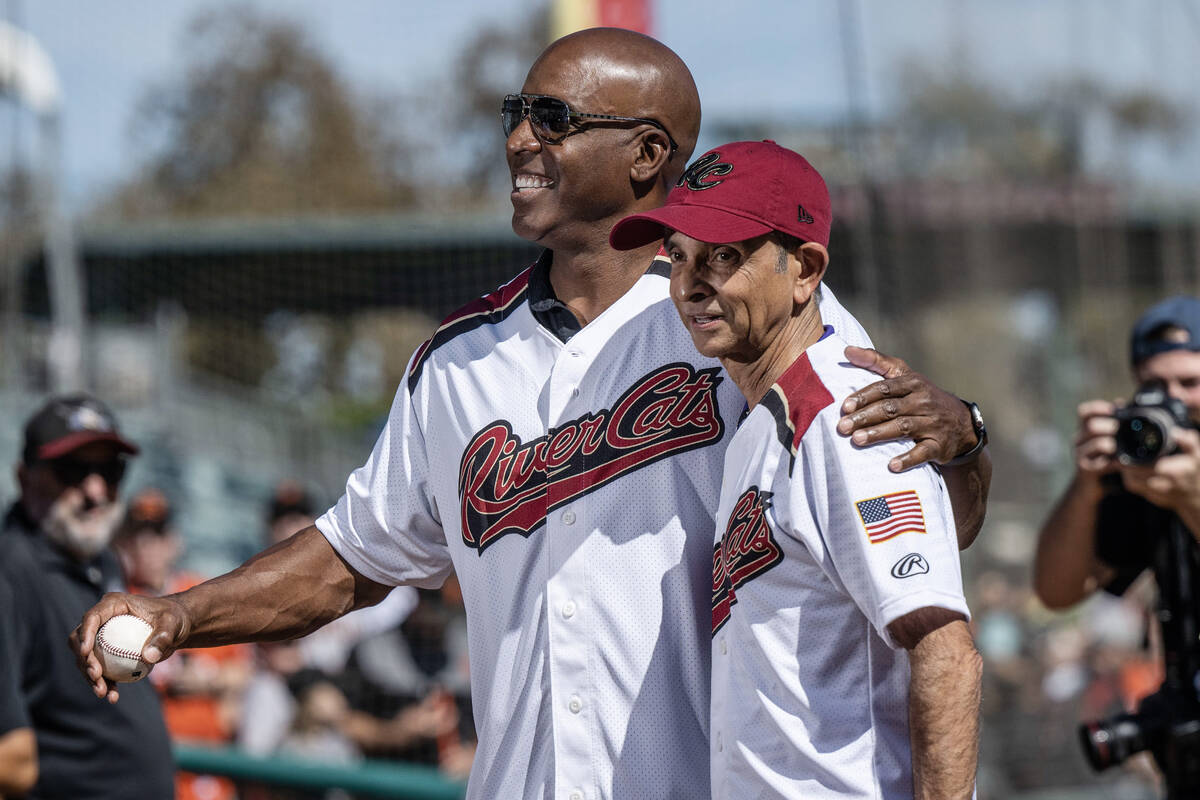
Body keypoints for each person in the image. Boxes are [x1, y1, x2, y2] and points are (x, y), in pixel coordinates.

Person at [74, 29, 990, 799]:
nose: (519, 141)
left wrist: (970, 443)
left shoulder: (755, 326)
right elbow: (350, 562)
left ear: (647, 154)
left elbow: (918, 538)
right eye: (515, 115)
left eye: (551, 119)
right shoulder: (458, 363)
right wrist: (181, 617)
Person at [609, 139, 981, 798]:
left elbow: (946, 655)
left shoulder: (845, 411)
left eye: (725, 255)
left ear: (805, 271)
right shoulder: (761, 420)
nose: (692, 284)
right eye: (680, 256)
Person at [0, 393, 175, 798]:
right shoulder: (9, 573)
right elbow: (10, 760)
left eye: (111, 470)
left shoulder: (100, 556)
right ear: (25, 477)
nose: (96, 491)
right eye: (72, 470)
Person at [1034, 295, 1200, 609]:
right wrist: (1086, 486)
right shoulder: (1144, 468)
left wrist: (1192, 500)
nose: (1174, 399)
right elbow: (1056, 593)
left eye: (1190, 382)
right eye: (1156, 385)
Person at [113, 487, 249, 800]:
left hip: (206, 771)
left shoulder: (201, 595)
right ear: (122, 542)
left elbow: (242, 673)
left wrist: (211, 681)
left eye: (157, 534)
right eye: (137, 535)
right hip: (141, 769)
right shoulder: (116, 606)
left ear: (175, 541)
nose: (146, 546)